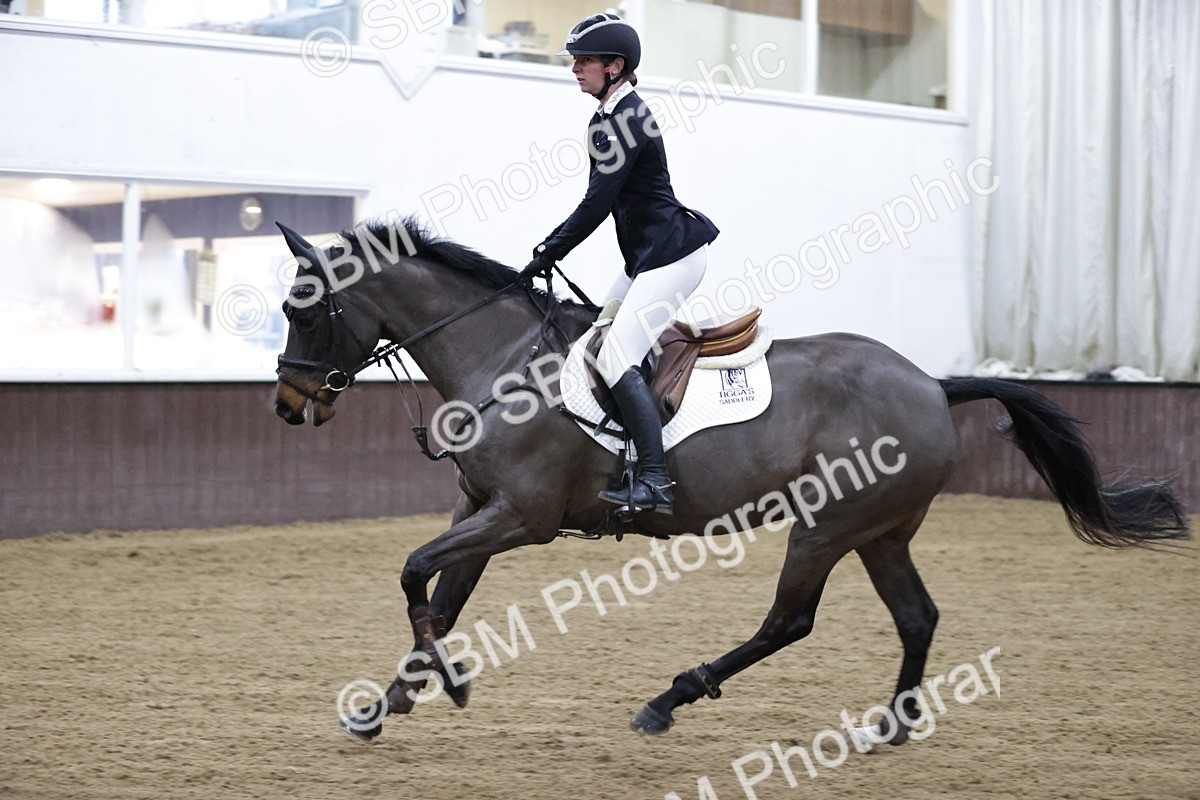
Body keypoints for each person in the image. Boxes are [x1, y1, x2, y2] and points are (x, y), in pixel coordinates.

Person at [531, 13, 719, 517]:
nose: (576, 69)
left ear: (615, 67)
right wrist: (550, 247)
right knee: (599, 341)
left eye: (585, 61)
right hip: (646, 259)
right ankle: (628, 450)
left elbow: (598, 203)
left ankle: (655, 481)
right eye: (575, 60)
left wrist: (550, 250)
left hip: (671, 256)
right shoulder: (603, 119)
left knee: (614, 357)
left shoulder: (630, 118)